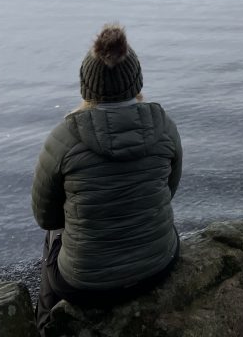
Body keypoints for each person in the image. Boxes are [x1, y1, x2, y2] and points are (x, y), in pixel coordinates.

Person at [32, 24, 182, 329]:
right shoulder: (164, 125)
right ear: (136, 81)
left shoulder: (64, 138)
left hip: (85, 286)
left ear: (87, 85)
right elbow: (169, 189)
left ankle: (47, 323)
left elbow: (46, 217)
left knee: (52, 237)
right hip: (158, 267)